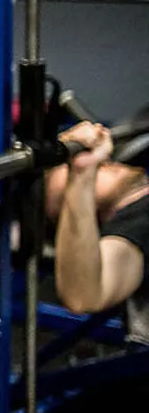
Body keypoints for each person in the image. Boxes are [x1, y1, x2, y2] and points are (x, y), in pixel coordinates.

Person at [51, 122, 149, 315]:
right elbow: (83, 297)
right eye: (65, 171)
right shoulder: (134, 223)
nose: (103, 164)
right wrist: (81, 173)